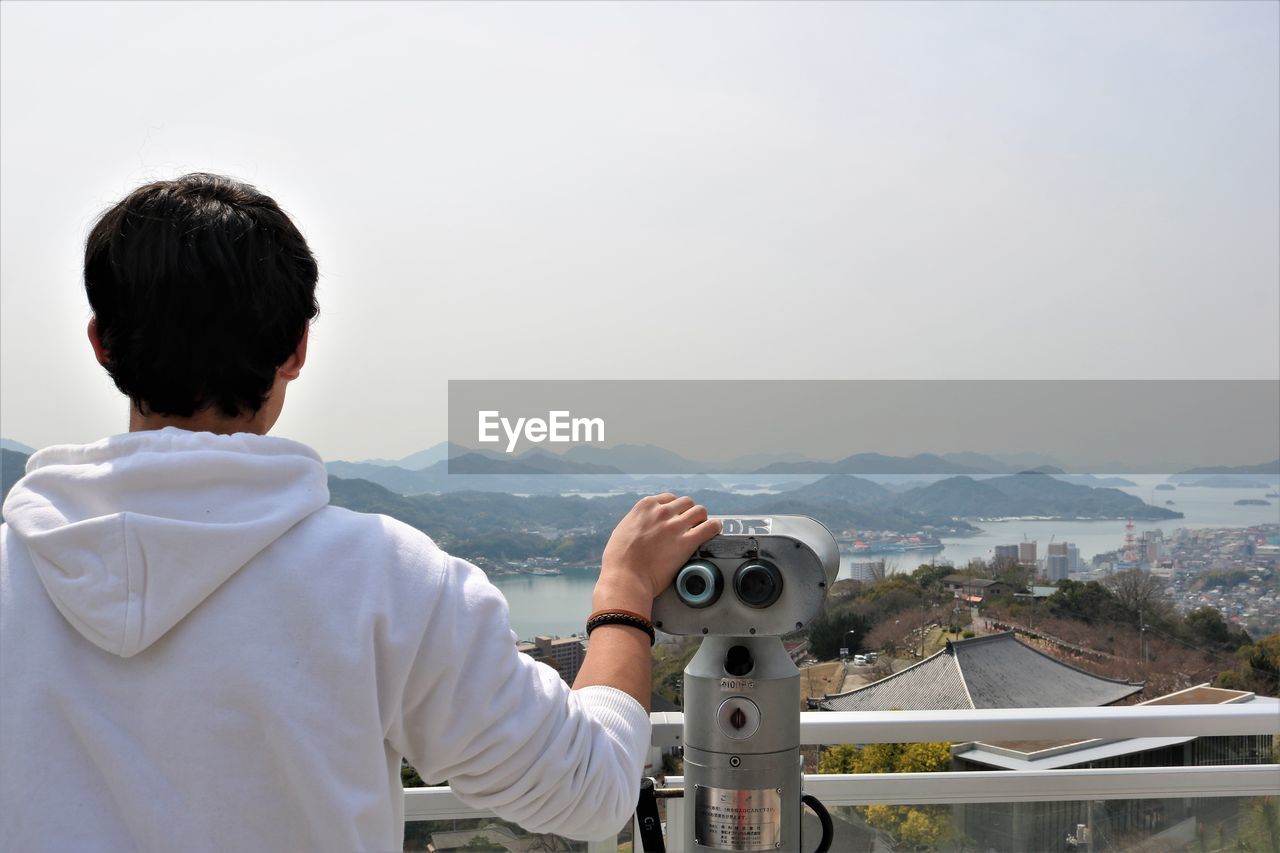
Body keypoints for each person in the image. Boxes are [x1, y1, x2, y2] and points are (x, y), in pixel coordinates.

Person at [0, 173, 720, 851]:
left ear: (100, 343)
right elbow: (588, 788)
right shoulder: (390, 582)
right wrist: (624, 593)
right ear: (296, 349)